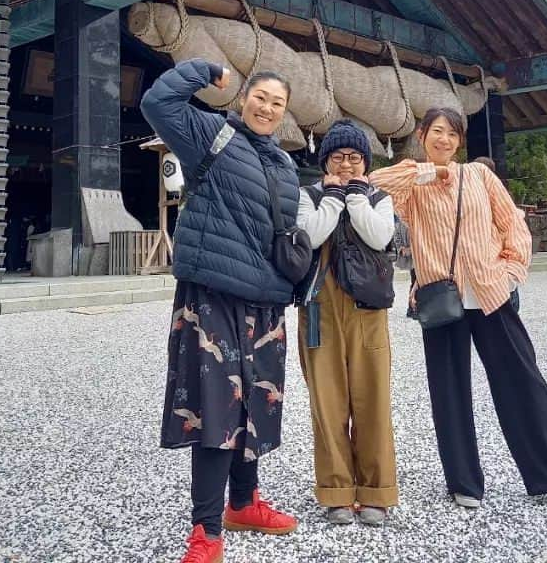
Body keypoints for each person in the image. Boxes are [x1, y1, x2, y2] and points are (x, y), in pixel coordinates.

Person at [369, 107, 547, 514]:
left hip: (490, 293)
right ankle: (464, 481)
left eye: (452, 134)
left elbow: (512, 223)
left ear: (461, 141)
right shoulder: (414, 183)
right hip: (440, 296)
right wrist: (429, 172)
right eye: (436, 132)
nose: (444, 140)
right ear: (423, 135)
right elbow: (373, 183)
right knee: (449, 392)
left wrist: (512, 270)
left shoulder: (480, 176)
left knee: (524, 383)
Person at [140, 60, 301, 563]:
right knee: (217, 408)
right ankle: (206, 531)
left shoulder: (285, 164)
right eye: (261, 97)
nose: (267, 108)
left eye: (278, 103)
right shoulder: (210, 133)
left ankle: (244, 503)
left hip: (266, 301)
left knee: (256, 403)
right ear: (244, 98)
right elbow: (156, 104)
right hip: (212, 294)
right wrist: (202, 71)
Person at [296, 121, 397, 526]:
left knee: (373, 399)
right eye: (338, 157)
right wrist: (335, 196)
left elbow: (378, 236)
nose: (347, 164)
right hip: (319, 306)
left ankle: (376, 490)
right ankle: (336, 490)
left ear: (366, 162)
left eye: (355, 158)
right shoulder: (308, 197)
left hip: (367, 308)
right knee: (328, 402)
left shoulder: (380, 197)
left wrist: (356, 196)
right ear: (325, 161)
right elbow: (311, 234)